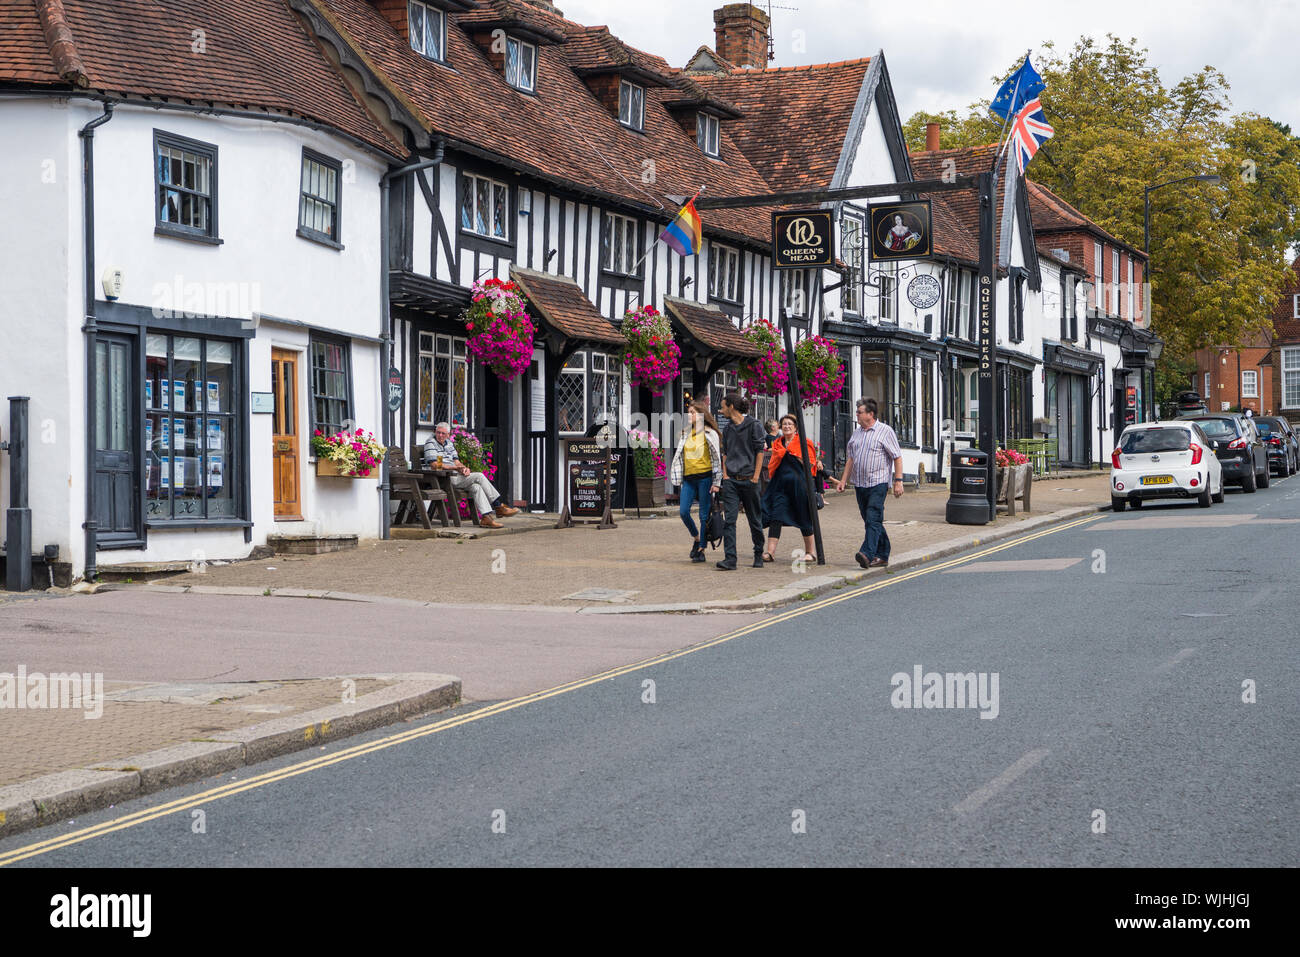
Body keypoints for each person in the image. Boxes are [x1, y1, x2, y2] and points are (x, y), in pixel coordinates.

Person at [834, 397, 903, 568]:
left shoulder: (885, 431)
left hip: (878, 482)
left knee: (873, 517)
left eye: (859, 412)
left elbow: (897, 456)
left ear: (870, 414)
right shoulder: (857, 433)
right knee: (870, 520)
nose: (856, 415)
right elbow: (851, 459)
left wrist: (898, 481)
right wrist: (843, 480)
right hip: (860, 483)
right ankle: (883, 553)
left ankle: (867, 553)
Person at [423, 422, 518, 529]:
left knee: (476, 487)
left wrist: (464, 468)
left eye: (443, 433)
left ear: (448, 435)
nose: (440, 435)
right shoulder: (430, 443)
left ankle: (486, 518)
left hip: (455, 476)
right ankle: (498, 506)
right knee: (479, 476)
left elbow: (457, 462)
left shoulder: (449, 443)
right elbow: (435, 464)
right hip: (443, 478)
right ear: (435, 432)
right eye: (438, 432)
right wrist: (454, 468)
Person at [715, 392, 767, 570]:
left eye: (723, 407)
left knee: (754, 519)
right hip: (731, 481)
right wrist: (725, 475)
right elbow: (725, 453)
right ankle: (730, 559)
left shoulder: (754, 425)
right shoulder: (728, 428)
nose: (721, 411)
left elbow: (760, 452)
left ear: (731, 407)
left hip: (750, 480)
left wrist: (755, 477)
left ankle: (758, 553)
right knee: (729, 520)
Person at [760, 413, 820, 563]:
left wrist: (795, 454)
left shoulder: (804, 442)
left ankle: (810, 552)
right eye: (784, 424)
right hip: (780, 486)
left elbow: (810, 464)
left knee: (803, 517)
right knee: (776, 516)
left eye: (790, 424)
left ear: (795, 428)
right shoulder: (778, 443)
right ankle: (770, 552)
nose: (786, 426)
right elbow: (773, 464)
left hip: (799, 486)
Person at [669, 400, 722, 562]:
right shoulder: (685, 434)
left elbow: (717, 459)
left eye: (692, 412)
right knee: (684, 512)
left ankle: (702, 549)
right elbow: (680, 456)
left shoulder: (710, 433)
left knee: (703, 515)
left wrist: (717, 482)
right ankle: (697, 537)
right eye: (689, 412)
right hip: (689, 479)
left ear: (701, 415)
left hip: (705, 478)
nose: (689, 415)